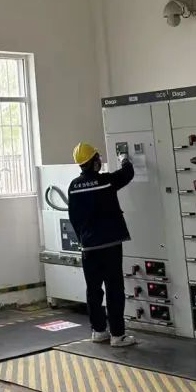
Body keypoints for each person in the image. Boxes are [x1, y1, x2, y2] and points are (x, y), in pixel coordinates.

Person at [67, 142, 138, 348]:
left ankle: (98, 331)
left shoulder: (73, 186)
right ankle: (118, 335)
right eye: (98, 158)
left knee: (93, 290)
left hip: (88, 247)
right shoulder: (105, 181)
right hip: (110, 245)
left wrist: (83, 240)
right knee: (114, 289)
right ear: (94, 162)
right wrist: (124, 158)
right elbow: (127, 174)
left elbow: (73, 218)